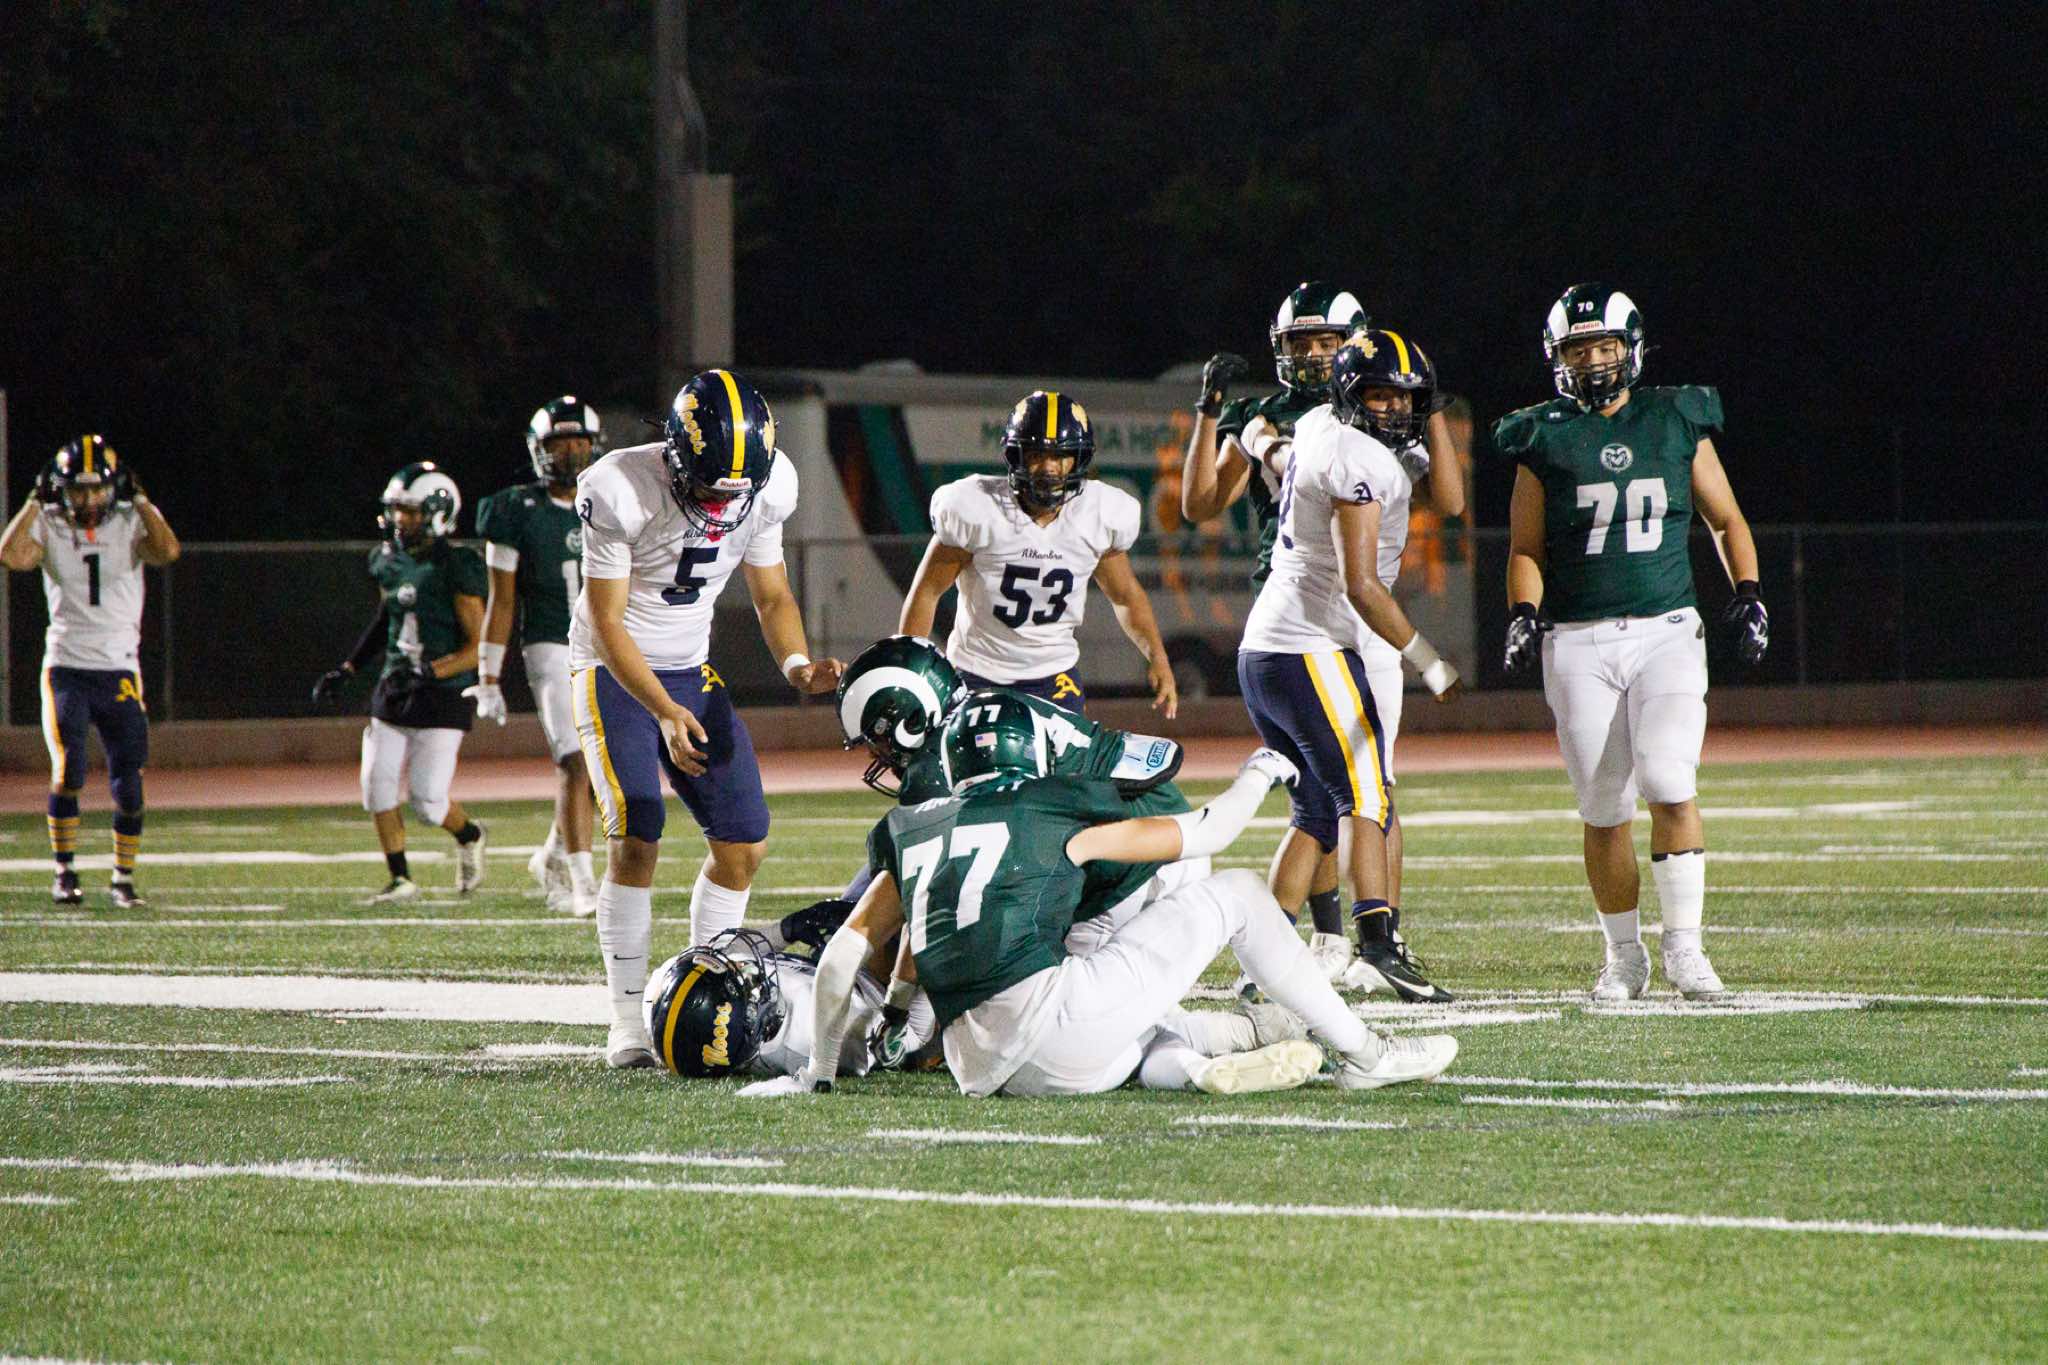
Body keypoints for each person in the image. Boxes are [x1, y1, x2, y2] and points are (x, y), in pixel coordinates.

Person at [743, 693, 1457, 1099]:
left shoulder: (909, 827)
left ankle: (1202, 1063)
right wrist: (1260, 770)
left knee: (1135, 1027)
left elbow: (840, 959)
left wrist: (819, 1074)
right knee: (1238, 892)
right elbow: (1211, 831)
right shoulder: (1047, 804)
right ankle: (1367, 1052)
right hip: (1057, 1030)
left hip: (978, 1066)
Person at [1183, 284, 1465, 981]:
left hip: (1313, 624)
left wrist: (1424, 407)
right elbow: (1359, 581)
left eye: (1325, 341)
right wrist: (1429, 659)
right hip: (1327, 622)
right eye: (1300, 342)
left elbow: (1446, 500)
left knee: (1334, 799)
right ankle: (1367, 939)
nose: (1311, 354)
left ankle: (1293, 955)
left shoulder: (1327, 427)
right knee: (1363, 792)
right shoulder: (1342, 441)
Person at [1495, 283, 1768, 1001]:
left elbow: (1726, 519)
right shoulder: (1541, 434)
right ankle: (1623, 956)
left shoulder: (1675, 417)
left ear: (1632, 347)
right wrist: (1523, 611)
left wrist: (1748, 591)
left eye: (1603, 346)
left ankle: (1686, 948)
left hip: (1666, 630)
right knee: (1604, 806)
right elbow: (1525, 547)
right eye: (1577, 349)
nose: (1591, 361)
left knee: (1669, 778)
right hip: (1577, 640)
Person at [570, 367, 843, 1069]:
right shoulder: (620, 487)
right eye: (710, 487)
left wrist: (796, 666)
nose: (722, 504)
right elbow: (606, 623)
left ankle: (702, 982)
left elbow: (773, 595)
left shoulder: (767, 486)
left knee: (744, 843)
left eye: (734, 490)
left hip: (690, 669)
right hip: (613, 670)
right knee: (637, 832)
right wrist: (662, 710)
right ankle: (628, 1022)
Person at [899, 390, 1175, 717]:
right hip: (976, 672)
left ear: (1079, 459)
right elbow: (927, 592)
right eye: (1036, 455)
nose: (1048, 468)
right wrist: (906, 672)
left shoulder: (1096, 516)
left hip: (1053, 677)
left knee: (1067, 753)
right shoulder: (977, 509)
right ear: (1016, 457)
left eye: (1060, 456)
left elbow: (1126, 596)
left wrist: (1158, 658)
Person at [0, 436, 180, 907]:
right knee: (69, 771)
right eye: (77, 490)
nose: (87, 499)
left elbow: (167, 551)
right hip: (68, 667)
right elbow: (11, 555)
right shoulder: (50, 523)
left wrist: (143, 502)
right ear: (60, 490)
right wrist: (32, 504)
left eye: (96, 488)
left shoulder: (128, 522)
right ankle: (64, 871)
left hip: (119, 669)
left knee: (130, 782)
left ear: (113, 487)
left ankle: (123, 878)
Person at [313, 463, 490, 903]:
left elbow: (478, 646)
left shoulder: (458, 564)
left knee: (428, 803)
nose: (399, 519)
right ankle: (401, 878)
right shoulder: (386, 559)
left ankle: (469, 834)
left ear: (438, 513)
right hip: (395, 687)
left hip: (444, 693)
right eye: (396, 510)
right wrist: (349, 668)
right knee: (377, 786)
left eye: (409, 511)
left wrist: (432, 670)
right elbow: (385, 619)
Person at [467, 396, 605, 918]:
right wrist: (488, 675)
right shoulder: (514, 510)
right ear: (538, 449)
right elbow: (501, 600)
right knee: (574, 760)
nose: (568, 452)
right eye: (557, 443)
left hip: (608, 646)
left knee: (604, 771)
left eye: (577, 442)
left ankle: (550, 856)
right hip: (550, 643)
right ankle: (583, 882)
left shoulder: (610, 501)